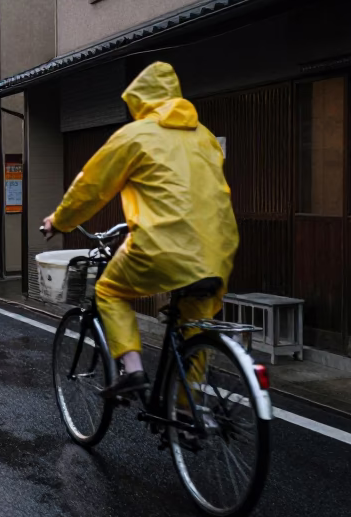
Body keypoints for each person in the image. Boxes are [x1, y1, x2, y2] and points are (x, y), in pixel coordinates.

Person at [42, 61, 238, 398]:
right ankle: (186, 411)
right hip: (218, 249)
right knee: (193, 328)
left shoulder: (136, 135)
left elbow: (92, 187)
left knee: (109, 291)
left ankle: (133, 371)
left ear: (140, 99)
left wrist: (59, 221)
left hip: (164, 245)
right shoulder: (204, 136)